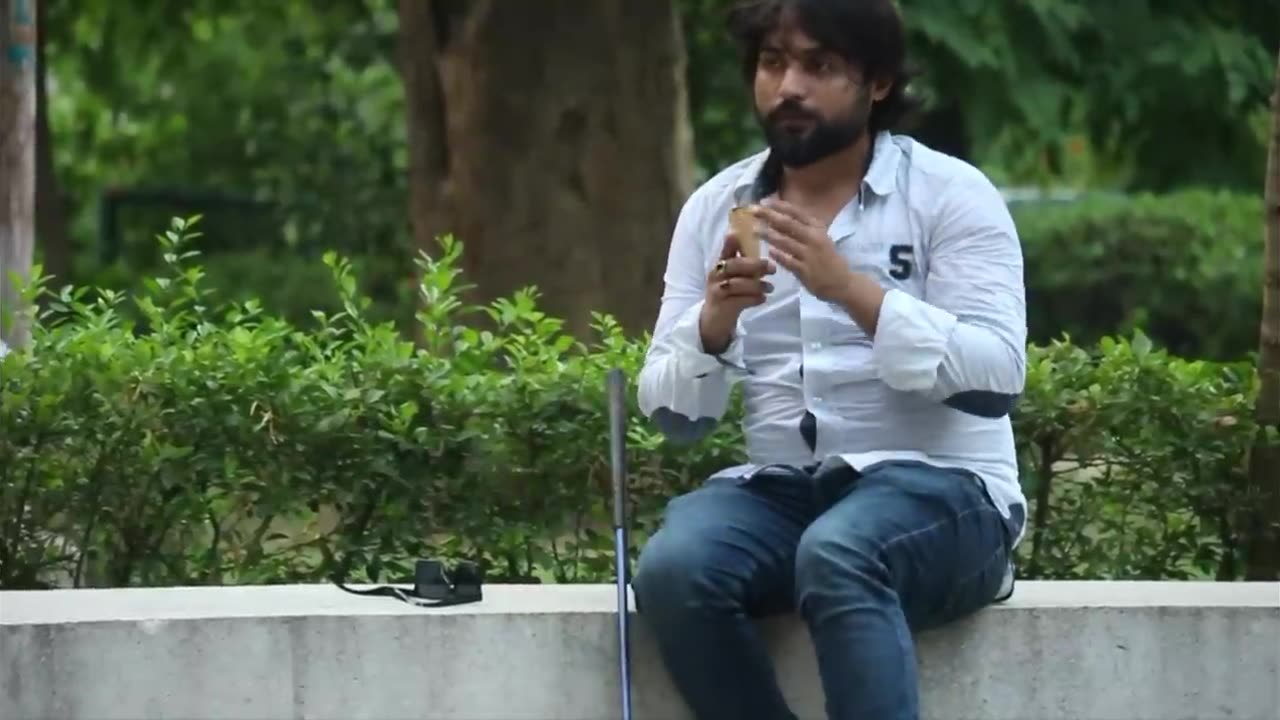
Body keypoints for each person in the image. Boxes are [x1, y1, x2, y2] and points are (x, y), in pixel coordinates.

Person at [631, 1, 1028, 718]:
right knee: (674, 569)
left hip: (947, 495)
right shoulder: (715, 208)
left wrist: (849, 290)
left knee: (843, 550)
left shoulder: (950, 196)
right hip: (786, 494)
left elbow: (998, 377)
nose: (788, 87)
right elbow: (672, 417)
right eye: (773, 62)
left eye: (819, 66)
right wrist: (713, 326)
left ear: (877, 82)